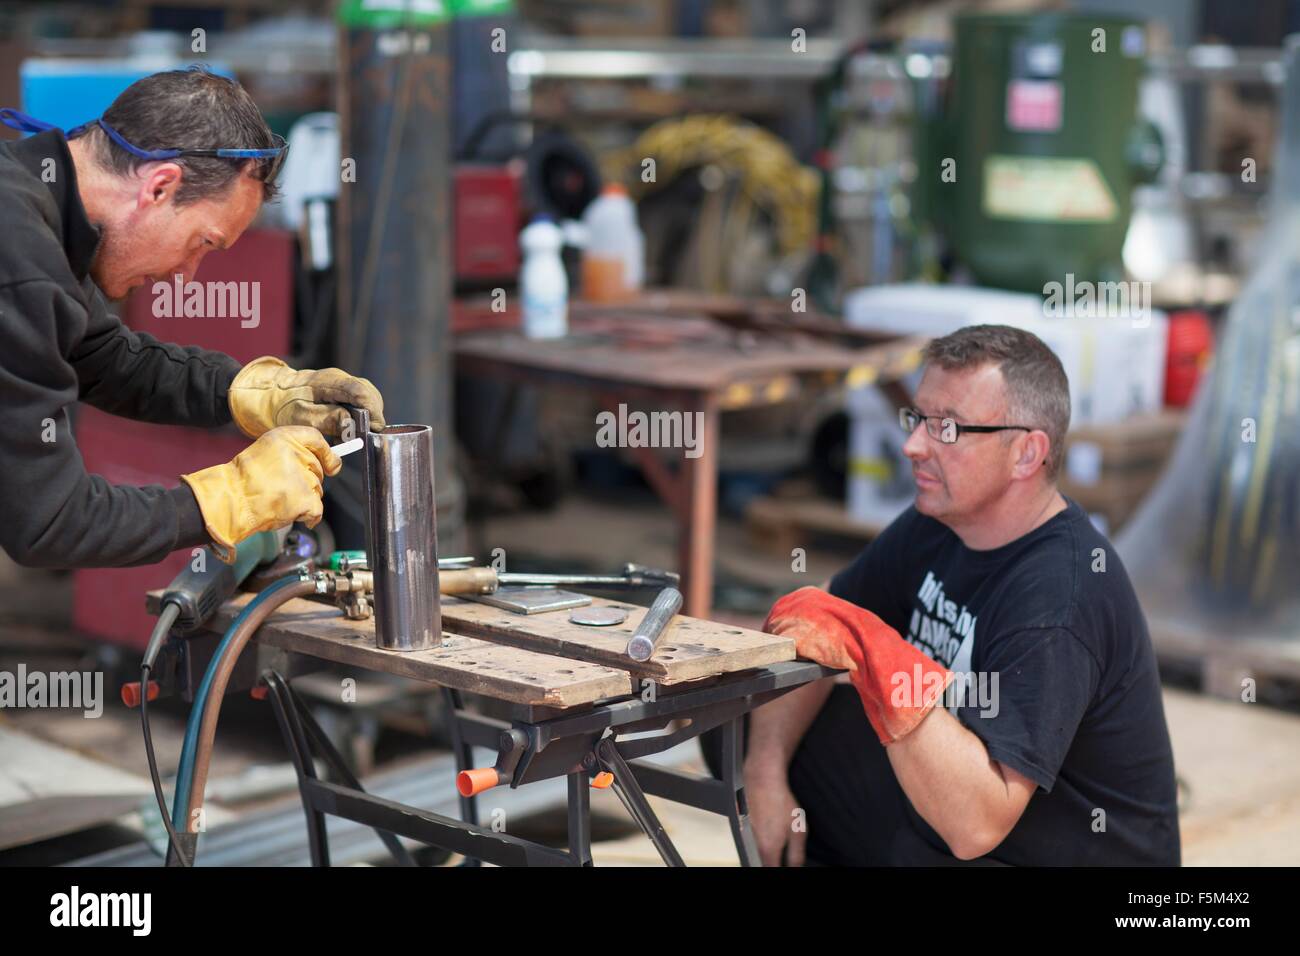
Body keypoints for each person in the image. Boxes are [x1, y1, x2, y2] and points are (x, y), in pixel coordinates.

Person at [746, 324, 1180, 865]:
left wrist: (883, 658)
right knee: (742, 720)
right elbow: (827, 621)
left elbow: (976, 827)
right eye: (919, 419)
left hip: (1034, 849)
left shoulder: (1059, 599)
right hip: (950, 816)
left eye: (946, 428)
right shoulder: (942, 519)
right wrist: (765, 774)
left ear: (1026, 453)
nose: (913, 445)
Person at [0, 68, 384, 568]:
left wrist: (253, 392)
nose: (186, 273)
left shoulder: (32, 208)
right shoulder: (22, 264)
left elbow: (100, 356)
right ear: (160, 187)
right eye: (203, 242)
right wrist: (231, 498)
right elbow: (50, 522)